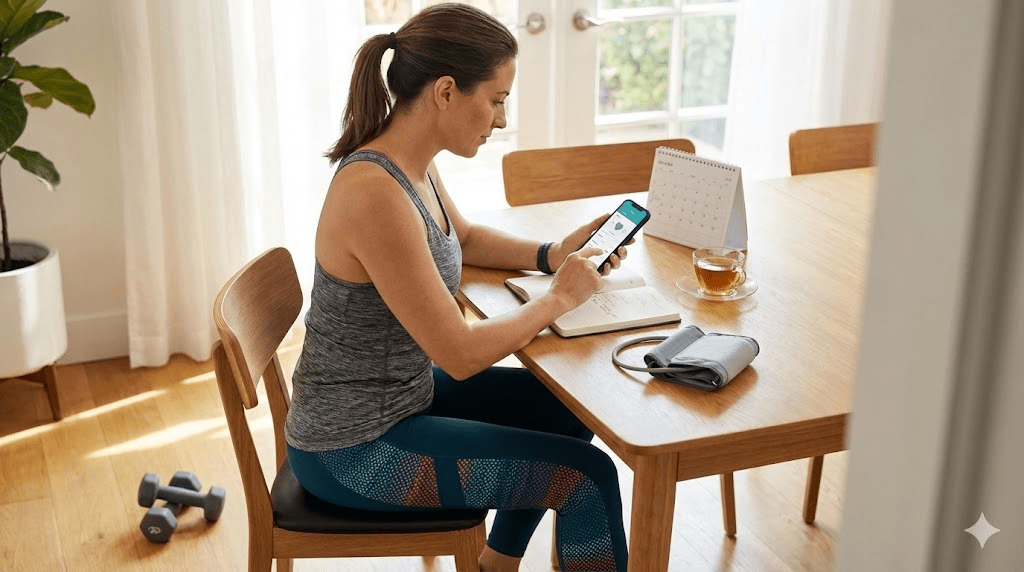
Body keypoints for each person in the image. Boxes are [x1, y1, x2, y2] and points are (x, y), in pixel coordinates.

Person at [284, 4, 628, 571]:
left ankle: (495, 563)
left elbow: (461, 239)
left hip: (403, 400)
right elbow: (461, 354)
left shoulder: (410, 160)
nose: (500, 118)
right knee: (585, 478)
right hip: (356, 452)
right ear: (446, 92)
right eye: (495, 99)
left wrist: (551, 255)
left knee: (570, 406)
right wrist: (559, 298)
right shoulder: (376, 192)